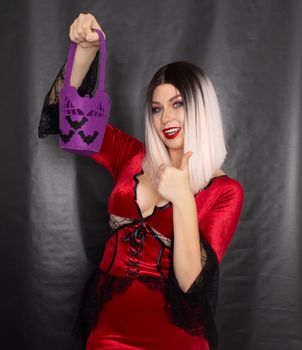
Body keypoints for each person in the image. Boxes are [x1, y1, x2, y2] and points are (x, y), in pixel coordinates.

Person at [38, 13, 244, 350]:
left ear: (202, 108)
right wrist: (84, 52)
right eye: (156, 109)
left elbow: (192, 284)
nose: (167, 118)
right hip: (107, 331)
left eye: (178, 104)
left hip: (175, 339)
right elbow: (67, 122)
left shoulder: (226, 193)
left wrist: (182, 199)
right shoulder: (131, 155)